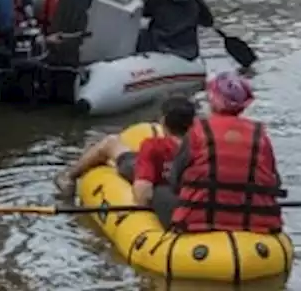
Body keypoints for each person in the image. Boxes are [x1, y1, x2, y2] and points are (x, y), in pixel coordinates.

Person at [168, 71, 285, 234]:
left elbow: (175, 180)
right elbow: (275, 183)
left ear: (213, 98)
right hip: (257, 227)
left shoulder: (197, 131)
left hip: (198, 223)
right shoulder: (260, 134)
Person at [54, 95, 197, 226]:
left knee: (111, 142)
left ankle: (69, 177)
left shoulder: (153, 146)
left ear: (163, 121)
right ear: (193, 123)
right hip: (176, 190)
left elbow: (143, 194)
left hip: (148, 175)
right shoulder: (201, 147)